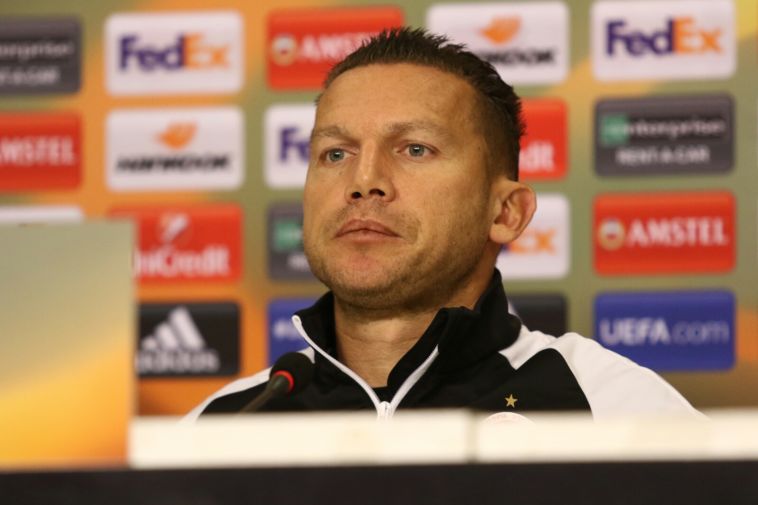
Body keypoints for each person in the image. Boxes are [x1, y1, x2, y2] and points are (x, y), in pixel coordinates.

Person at [187, 28, 700, 421]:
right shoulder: (225, 425)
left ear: (506, 212)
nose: (363, 182)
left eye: (415, 149)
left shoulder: (615, 409)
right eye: (336, 153)